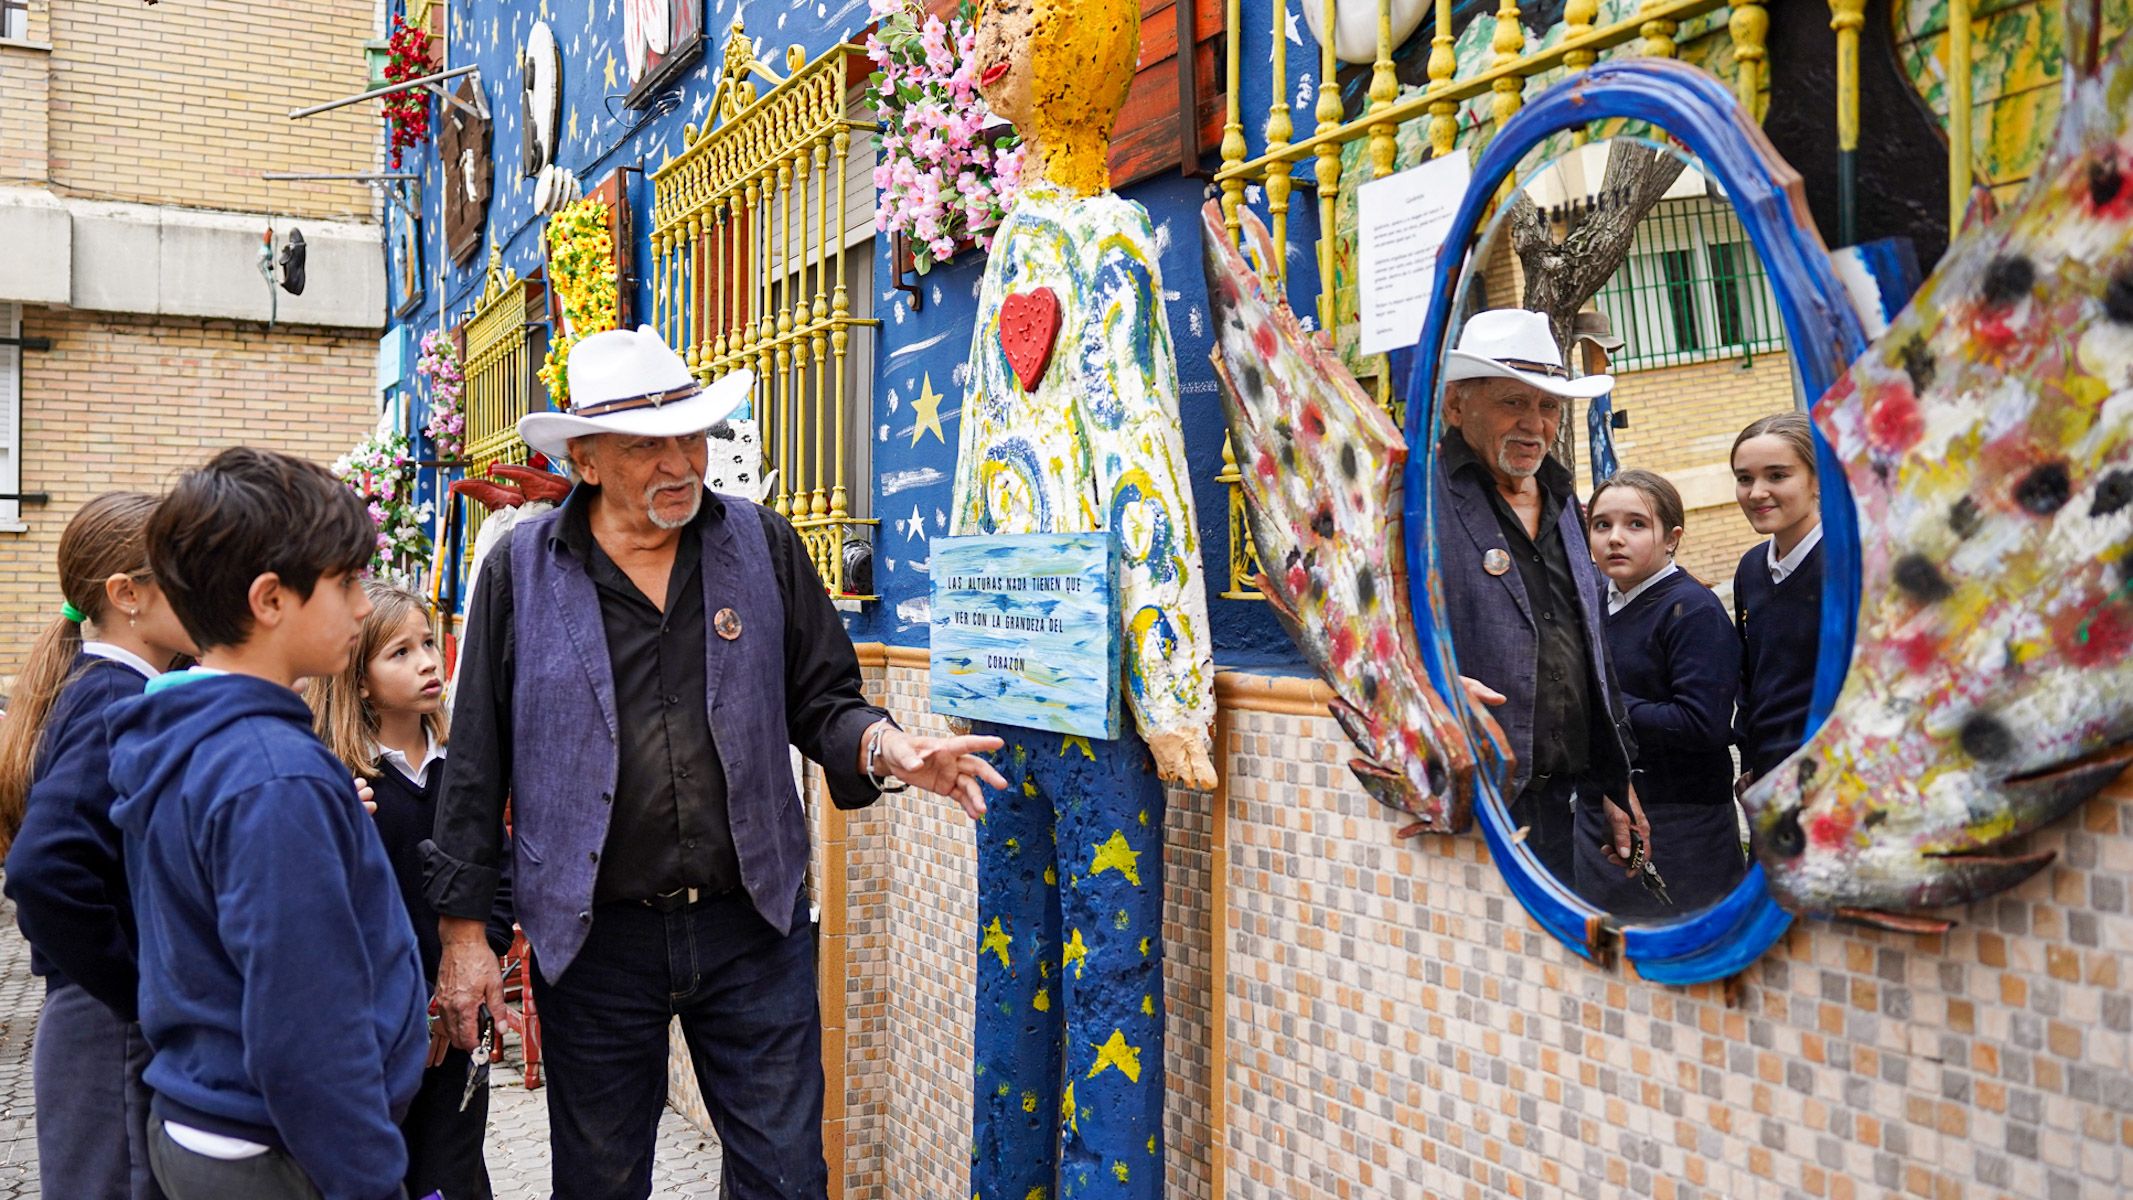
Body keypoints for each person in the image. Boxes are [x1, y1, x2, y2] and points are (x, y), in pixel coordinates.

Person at [422, 325, 1006, 1200]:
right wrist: (465, 938)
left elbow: (823, 699)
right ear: (585, 461)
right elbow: (476, 760)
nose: (680, 463)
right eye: (646, 446)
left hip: (750, 925)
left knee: (784, 1176)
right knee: (601, 1179)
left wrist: (888, 748)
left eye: (690, 436)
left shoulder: (761, 545)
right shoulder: (520, 570)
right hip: (593, 935)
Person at [106, 447, 431, 1200]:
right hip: (277, 1147)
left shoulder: (186, 733)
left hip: (208, 1122)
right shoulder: (273, 775)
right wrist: (371, 1180)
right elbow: (305, 1026)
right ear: (270, 599)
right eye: (346, 582)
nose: (360, 606)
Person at [0, 492, 196, 1200]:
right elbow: (43, 869)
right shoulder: (115, 700)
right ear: (127, 595)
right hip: (104, 1026)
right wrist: (138, 991)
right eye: (186, 571)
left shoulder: (116, 690)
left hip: (103, 1020)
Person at [309, 581, 516, 1200]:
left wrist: (485, 957)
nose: (429, 661)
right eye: (399, 652)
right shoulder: (346, 781)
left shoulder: (463, 769)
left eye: (428, 643)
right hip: (378, 1028)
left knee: (453, 1166)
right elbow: (337, 913)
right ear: (360, 677)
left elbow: (497, 878)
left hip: (460, 1020)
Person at [1432, 307, 1646, 883]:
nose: (1534, 424)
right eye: (1512, 401)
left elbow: (1587, 648)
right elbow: (1367, 639)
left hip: (1561, 802)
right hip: (1468, 797)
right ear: (1456, 406)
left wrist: (1612, 779)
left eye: (1548, 405)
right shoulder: (1415, 501)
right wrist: (1432, 684)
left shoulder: (1561, 497)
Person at [1578, 469, 1743, 914]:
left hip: (1681, 820)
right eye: (1602, 525)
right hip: (1602, 807)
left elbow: (1700, 723)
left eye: (1636, 524)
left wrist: (1603, 708)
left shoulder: (1692, 611)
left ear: (1671, 537)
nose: (1615, 538)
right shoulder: (1593, 600)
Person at [1730, 411, 1825, 790]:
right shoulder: (1751, 568)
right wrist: (1751, 761)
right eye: (1744, 479)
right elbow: (1751, 679)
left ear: (1816, 480)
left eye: (1777, 475)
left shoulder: (1850, 566)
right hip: (1770, 780)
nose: (1757, 493)